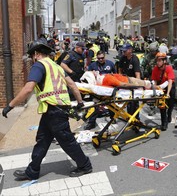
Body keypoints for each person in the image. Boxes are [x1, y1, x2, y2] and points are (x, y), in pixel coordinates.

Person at [2, 40, 92, 180]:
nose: (32, 59)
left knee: (66, 141)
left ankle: (85, 165)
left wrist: (10, 105)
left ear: (37, 54)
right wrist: (80, 102)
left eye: (32, 56)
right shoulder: (56, 66)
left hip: (55, 111)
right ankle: (32, 171)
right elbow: (72, 85)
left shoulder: (39, 65)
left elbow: (28, 89)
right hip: (54, 110)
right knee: (42, 140)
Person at [84, 51, 116, 130]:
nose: (100, 60)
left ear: (105, 57)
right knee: (95, 106)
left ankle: (113, 118)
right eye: (99, 58)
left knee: (111, 104)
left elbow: (115, 75)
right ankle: (91, 122)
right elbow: (87, 76)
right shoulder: (93, 65)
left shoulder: (110, 64)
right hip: (97, 89)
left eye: (102, 58)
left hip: (108, 88)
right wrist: (92, 73)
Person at [151, 52, 175, 131]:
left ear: (164, 61)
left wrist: (168, 93)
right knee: (162, 105)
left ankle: (169, 113)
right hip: (160, 87)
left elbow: (170, 81)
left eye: (160, 60)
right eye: (157, 60)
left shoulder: (168, 68)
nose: (158, 62)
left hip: (170, 86)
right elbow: (154, 81)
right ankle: (163, 123)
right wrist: (155, 90)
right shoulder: (155, 69)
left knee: (171, 104)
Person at [118, 43, 141, 120]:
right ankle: (129, 117)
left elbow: (137, 73)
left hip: (133, 82)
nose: (123, 52)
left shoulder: (134, 59)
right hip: (125, 81)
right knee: (128, 101)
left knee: (134, 102)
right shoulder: (123, 58)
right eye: (123, 51)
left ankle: (136, 119)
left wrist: (138, 85)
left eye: (125, 51)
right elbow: (120, 70)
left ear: (130, 50)